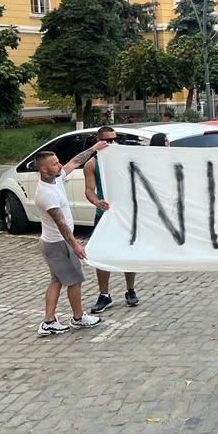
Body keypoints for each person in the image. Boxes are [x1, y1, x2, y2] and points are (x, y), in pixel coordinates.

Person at [34, 139, 108, 336]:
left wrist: (94, 148)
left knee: (57, 280)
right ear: (44, 170)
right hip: (58, 243)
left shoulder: (56, 178)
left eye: (58, 162)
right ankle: (78, 317)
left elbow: (74, 162)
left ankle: (49, 321)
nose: (59, 165)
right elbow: (61, 224)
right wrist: (75, 245)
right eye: (55, 164)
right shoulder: (45, 194)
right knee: (74, 280)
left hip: (56, 242)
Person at [85, 127, 139, 314]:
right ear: (98, 141)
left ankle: (130, 290)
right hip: (104, 215)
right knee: (101, 254)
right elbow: (89, 190)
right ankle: (104, 294)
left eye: (115, 140)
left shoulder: (124, 160)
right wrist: (96, 202)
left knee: (128, 253)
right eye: (107, 140)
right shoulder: (92, 164)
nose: (112, 144)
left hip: (124, 214)